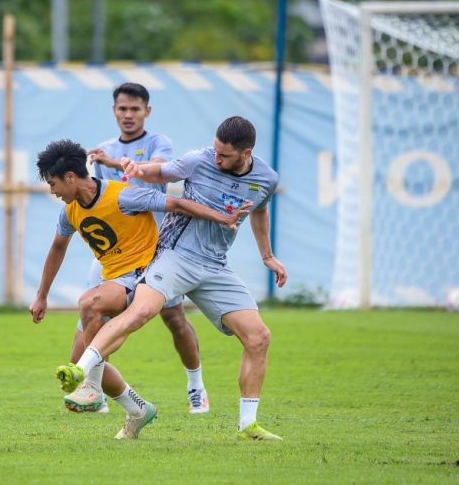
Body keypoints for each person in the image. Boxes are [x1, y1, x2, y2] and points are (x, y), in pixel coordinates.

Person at [56, 116, 288, 441]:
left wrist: (267, 256)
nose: (216, 158)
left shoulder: (266, 177)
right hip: (175, 254)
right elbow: (163, 171)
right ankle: (84, 374)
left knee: (258, 337)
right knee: (140, 312)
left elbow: (260, 210)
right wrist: (139, 171)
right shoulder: (199, 159)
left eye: (224, 155)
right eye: (215, 150)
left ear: (246, 153)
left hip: (215, 265)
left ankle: (248, 424)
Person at [29, 139, 250, 439]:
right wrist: (41, 295)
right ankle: (138, 409)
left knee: (89, 305)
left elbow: (175, 203)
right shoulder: (69, 212)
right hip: (112, 278)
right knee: (81, 361)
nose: (52, 191)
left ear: (70, 177)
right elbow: (57, 248)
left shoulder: (123, 196)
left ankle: (93, 391)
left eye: (53, 183)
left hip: (141, 276)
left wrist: (222, 217)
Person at [72, 82, 209, 415]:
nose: (128, 115)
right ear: (114, 111)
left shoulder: (157, 143)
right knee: (90, 313)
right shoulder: (102, 152)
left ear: (147, 111)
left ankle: (196, 386)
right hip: (115, 251)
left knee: (174, 319)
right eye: (122, 108)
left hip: (155, 248)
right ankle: (92, 390)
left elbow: (154, 174)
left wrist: (115, 162)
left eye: (135, 109)